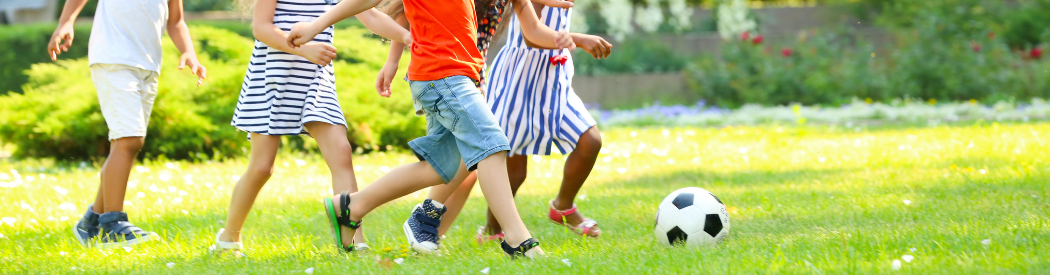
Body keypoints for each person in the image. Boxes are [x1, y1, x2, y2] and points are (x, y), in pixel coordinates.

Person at [285, 0, 573, 257]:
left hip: (457, 75)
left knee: (443, 166)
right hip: (442, 75)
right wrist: (316, 25)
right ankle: (517, 239)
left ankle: (351, 206)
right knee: (490, 143)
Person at [373, 0, 612, 249]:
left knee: (464, 164)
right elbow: (408, 13)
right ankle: (421, 221)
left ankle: (425, 230)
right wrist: (392, 61)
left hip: (472, 73)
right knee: (469, 158)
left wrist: (568, 38)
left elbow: (533, 31)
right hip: (444, 73)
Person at [210, 0, 411, 255]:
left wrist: (406, 35)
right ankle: (228, 237)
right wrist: (303, 50)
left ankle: (353, 243)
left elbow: (370, 16)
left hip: (316, 80)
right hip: (273, 78)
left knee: (341, 152)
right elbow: (261, 28)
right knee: (262, 168)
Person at [50, 0, 207, 249]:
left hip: (147, 67)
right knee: (130, 140)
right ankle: (112, 224)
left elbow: (175, 20)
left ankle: (91, 223)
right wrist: (66, 22)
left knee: (123, 142)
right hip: (113, 59)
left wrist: (188, 52)